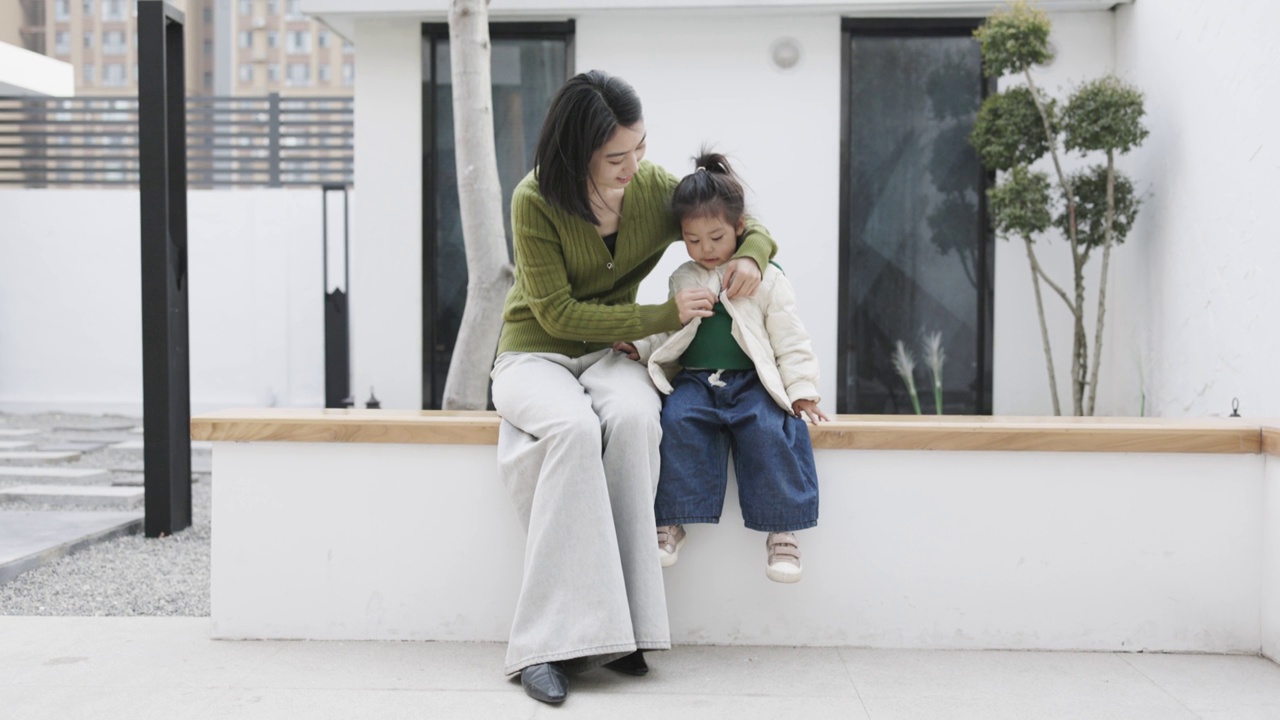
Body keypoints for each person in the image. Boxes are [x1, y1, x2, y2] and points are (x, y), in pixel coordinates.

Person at [490, 71, 777, 705]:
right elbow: (557, 315)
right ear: (578, 153)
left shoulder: (651, 191)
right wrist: (660, 317)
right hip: (533, 353)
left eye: (640, 147)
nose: (635, 164)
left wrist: (752, 254)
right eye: (617, 156)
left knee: (637, 421)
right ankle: (545, 647)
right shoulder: (534, 199)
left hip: (613, 354)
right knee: (570, 429)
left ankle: (627, 634)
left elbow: (736, 220)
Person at [618, 150, 826, 585]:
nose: (706, 249)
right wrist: (639, 346)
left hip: (751, 382)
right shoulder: (683, 276)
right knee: (677, 422)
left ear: (739, 229)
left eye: (716, 237)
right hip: (697, 380)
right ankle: (672, 520)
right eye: (694, 240)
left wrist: (802, 390)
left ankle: (781, 529)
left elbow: (790, 338)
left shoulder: (767, 277)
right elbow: (668, 328)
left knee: (772, 430)